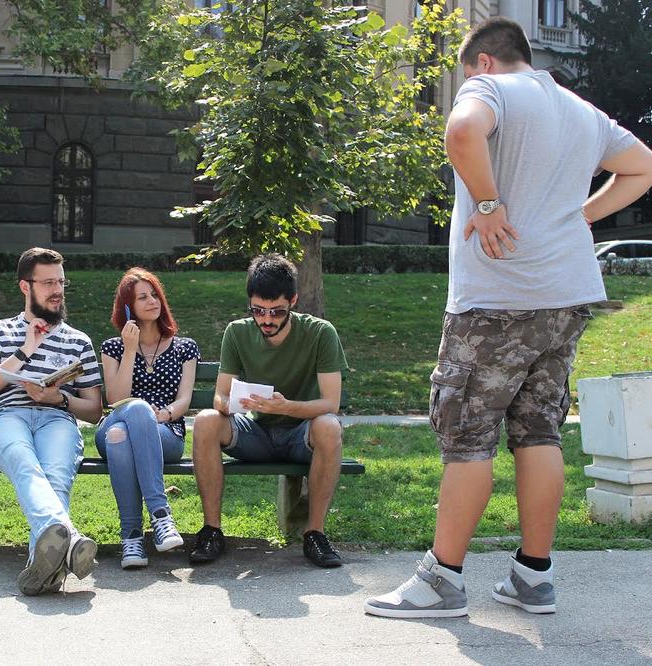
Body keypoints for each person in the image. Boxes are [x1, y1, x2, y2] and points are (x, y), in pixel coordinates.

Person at [365, 17, 652, 619]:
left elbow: (461, 130)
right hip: (567, 296)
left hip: (498, 298)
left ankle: (441, 582)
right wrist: (583, 215)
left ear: (484, 61)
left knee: (467, 435)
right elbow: (643, 166)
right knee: (539, 432)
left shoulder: (488, 88)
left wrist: (489, 203)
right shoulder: (581, 111)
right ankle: (533, 577)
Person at [189, 254, 349, 568]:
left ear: (293, 301)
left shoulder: (320, 333)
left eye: (277, 311)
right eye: (258, 310)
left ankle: (315, 534)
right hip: (256, 432)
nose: (267, 319)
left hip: (300, 434)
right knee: (206, 421)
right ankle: (212, 531)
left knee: (329, 426)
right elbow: (220, 395)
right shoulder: (237, 332)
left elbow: (331, 403)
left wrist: (287, 406)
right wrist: (231, 403)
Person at [0, 248, 104, 596]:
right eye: (48, 283)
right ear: (25, 286)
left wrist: (58, 398)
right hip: (7, 417)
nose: (57, 290)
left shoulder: (79, 341)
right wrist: (25, 349)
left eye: (61, 282)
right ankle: (71, 542)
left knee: (56, 477)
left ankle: (41, 570)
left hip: (56, 419)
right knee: (25, 462)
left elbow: (94, 410)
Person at [98, 268, 200, 569]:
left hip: (165, 432)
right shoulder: (113, 348)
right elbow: (116, 399)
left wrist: (164, 414)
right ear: (128, 307)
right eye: (142, 297)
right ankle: (160, 514)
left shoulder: (184, 347)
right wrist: (130, 349)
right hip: (119, 419)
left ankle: (131, 536)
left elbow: (184, 399)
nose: (152, 301)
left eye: (154, 294)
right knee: (133, 414)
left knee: (119, 438)